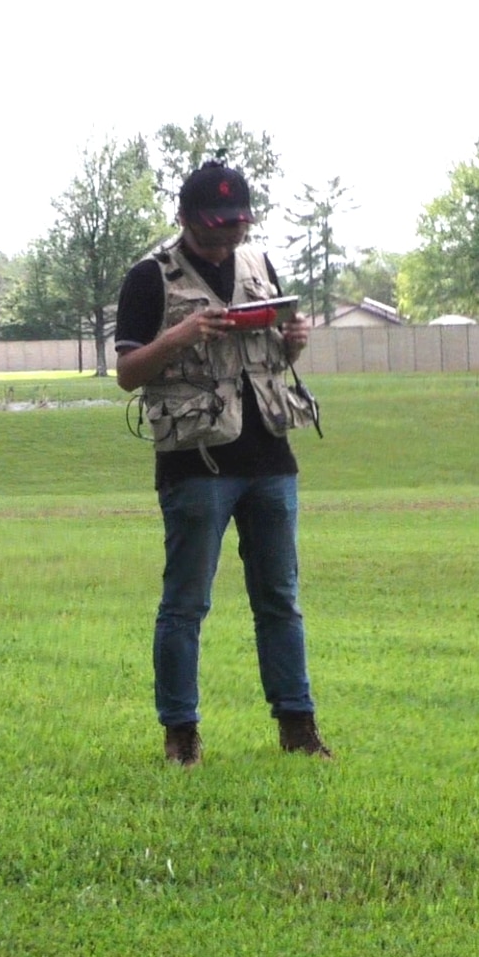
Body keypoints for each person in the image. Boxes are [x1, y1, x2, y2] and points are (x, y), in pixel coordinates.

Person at [114, 160, 330, 766]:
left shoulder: (260, 263)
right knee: (186, 605)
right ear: (184, 219)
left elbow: (276, 343)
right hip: (196, 462)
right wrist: (182, 334)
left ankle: (298, 727)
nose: (229, 238)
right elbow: (128, 373)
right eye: (216, 228)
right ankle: (180, 734)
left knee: (280, 599)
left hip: (270, 453)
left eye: (237, 226)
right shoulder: (147, 277)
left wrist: (293, 340)